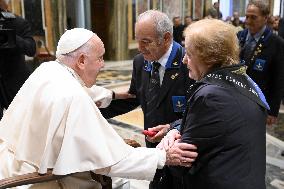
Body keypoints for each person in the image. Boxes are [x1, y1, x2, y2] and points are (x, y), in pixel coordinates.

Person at [0, 28, 198, 188]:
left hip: (13, 167)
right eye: (100, 58)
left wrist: (113, 94)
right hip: (45, 182)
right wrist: (164, 156)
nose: (103, 64)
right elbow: (111, 162)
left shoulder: (48, 70)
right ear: (82, 61)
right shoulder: (73, 98)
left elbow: (80, 89)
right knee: (123, 181)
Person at [156, 18, 268, 189]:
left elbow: (184, 161)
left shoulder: (209, 96)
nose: (185, 60)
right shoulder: (244, 80)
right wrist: (175, 129)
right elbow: (216, 128)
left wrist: (164, 152)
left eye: (189, 53)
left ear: (207, 57)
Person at [100, 10, 193, 188]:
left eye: (146, 42)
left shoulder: (188, 62)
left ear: (166, 38)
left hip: (181, 152)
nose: (140, 48)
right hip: (153, 148)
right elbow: (134, 97)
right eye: (138, 40)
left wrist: (172, 129)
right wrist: (93, 110)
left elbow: (200, 112)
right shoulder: (140, 62)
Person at [238, 0, 284, 125]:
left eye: (253, 17)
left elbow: (278, 79)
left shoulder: (276, 43)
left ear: (265, 18)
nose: (248, 21)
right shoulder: (239, 37)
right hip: (236, 100)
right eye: (247, 16)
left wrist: (273, 111)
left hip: (259, 103)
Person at [0, 0, 36, 119]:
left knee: (21, 121)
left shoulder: (17, 22)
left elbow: (31, 49)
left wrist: (9, 36)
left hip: (14, 82)